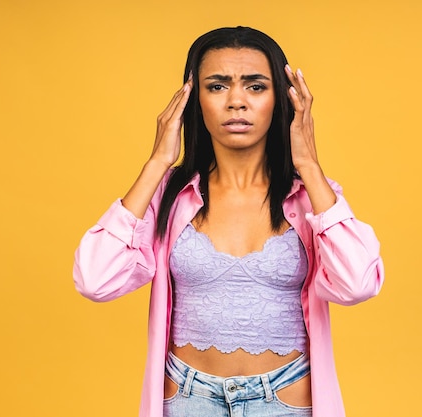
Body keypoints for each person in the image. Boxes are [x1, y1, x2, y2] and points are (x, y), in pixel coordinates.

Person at [73, 26, 384, 417]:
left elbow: (357, 284)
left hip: (286, 399)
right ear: (192, 99)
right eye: (217, 86)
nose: (236, 101)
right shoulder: (168, 194)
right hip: (186, 399)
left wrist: (308, 163)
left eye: (255, 87)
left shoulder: (312, 198)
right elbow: (94, 279)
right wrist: (156, 164)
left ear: (282, 100)